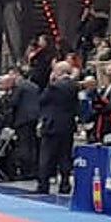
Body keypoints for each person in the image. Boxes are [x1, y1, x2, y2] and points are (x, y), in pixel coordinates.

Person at [36, 61, 79, 194]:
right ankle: (65, 184)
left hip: (52, 126)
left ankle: (43, 185)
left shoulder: (54, 86)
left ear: (58, 72)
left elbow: (42, 100)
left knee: (47, 157)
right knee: (65, 157)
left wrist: (50, 82)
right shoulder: (74, 86)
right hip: (68, 126)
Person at [0, 67, 39, 179]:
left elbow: (13, 102)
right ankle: (34, 169)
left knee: (24, 146)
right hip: (34, 117)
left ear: (17, 75)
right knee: (32, 145)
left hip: (22, 119)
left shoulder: (19, 86)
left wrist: (7, 95)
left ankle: (26, 171)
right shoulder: (33, 86)